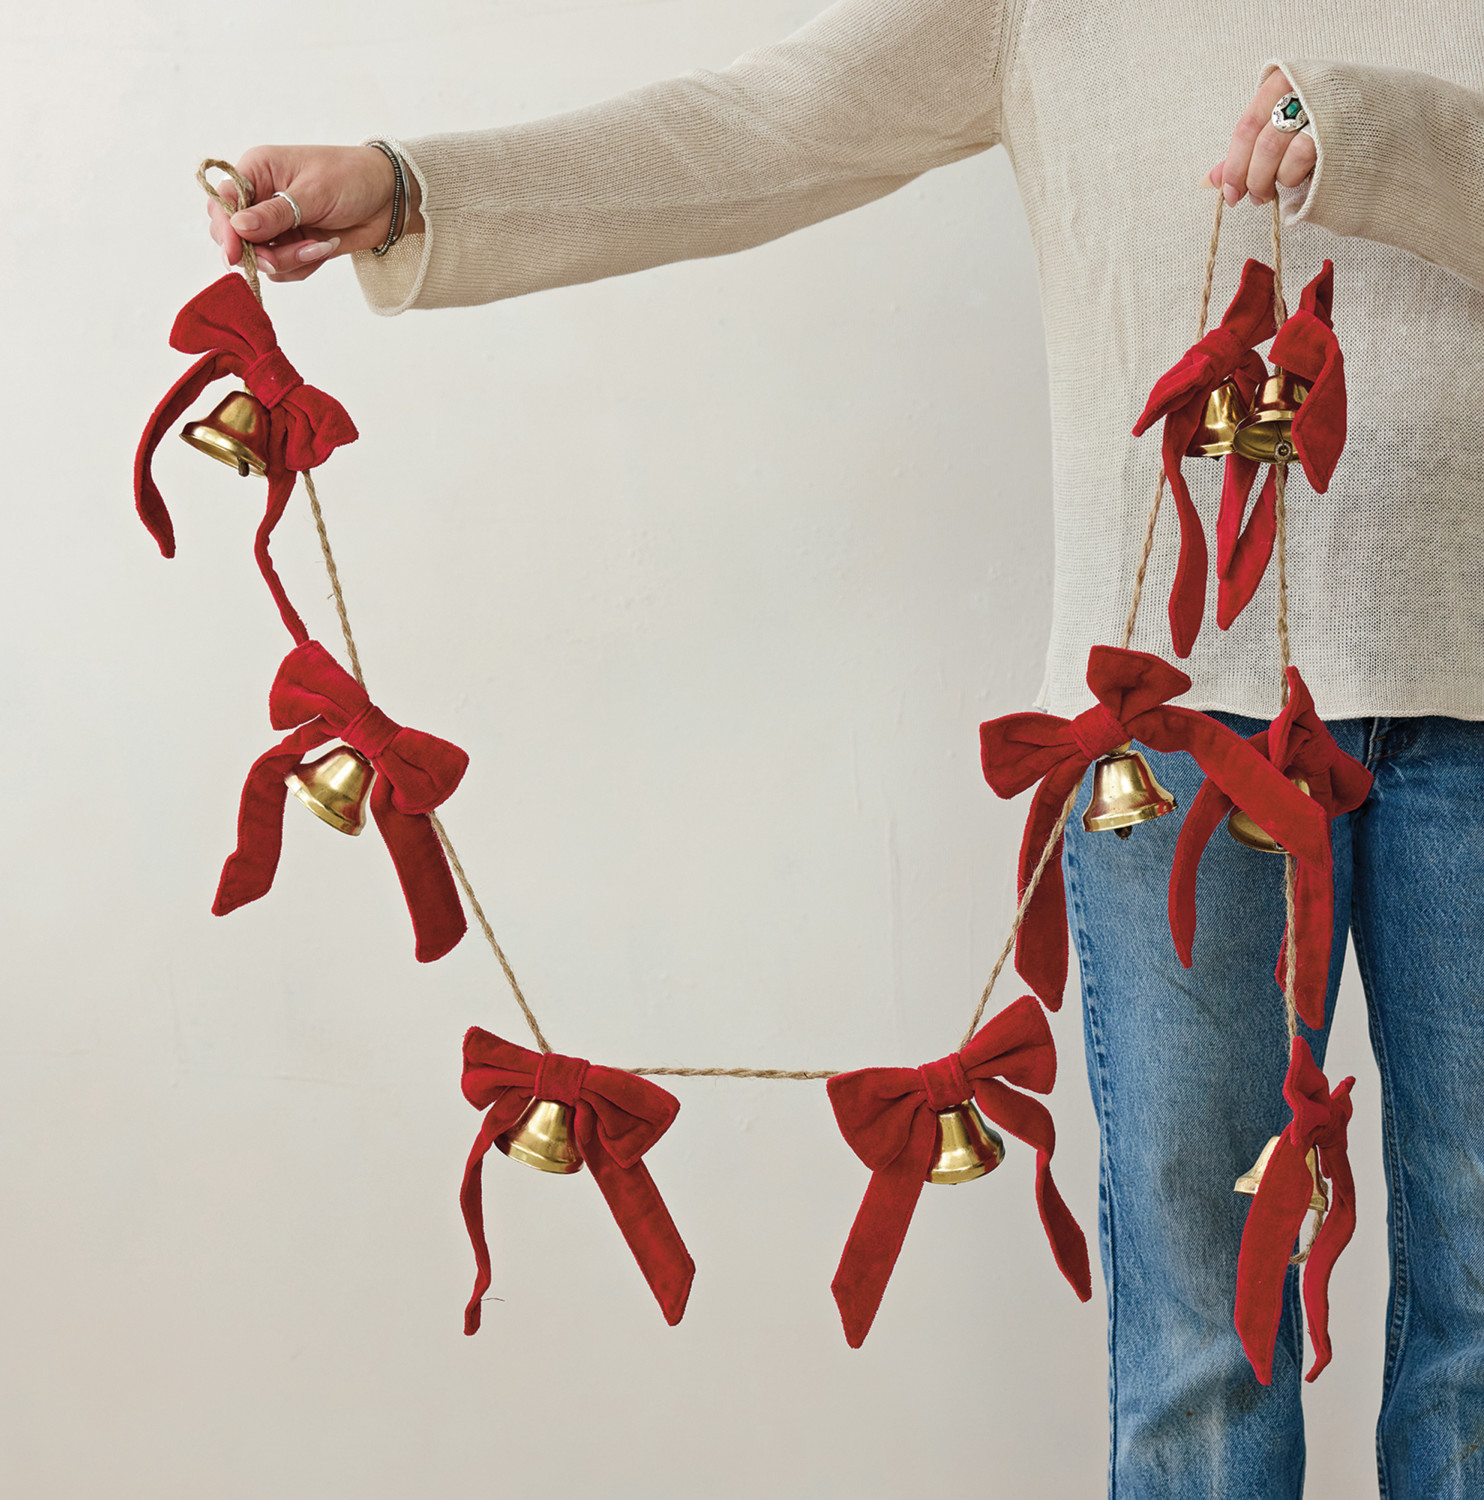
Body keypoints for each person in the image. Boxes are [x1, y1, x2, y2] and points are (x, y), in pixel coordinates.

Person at [207, 3, 1484, 1494]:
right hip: (1167, 734)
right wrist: (408, 184)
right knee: (1199, 1329)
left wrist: (1378, 138)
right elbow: (752, 129)